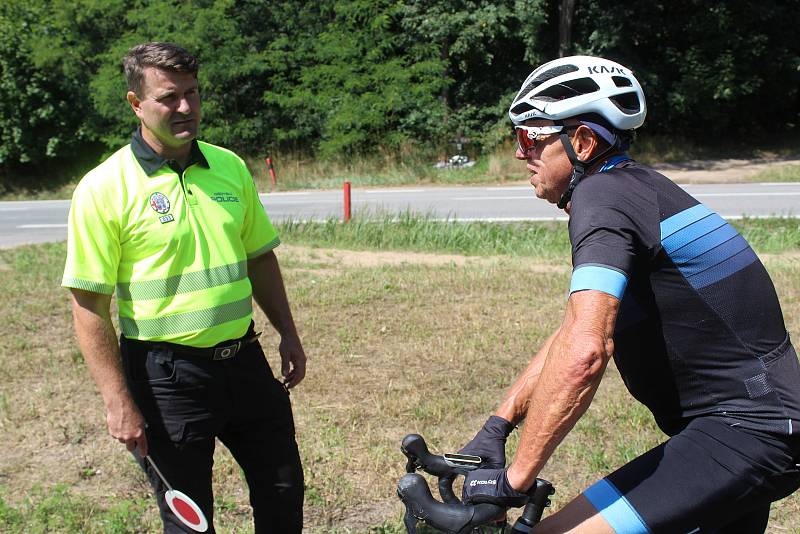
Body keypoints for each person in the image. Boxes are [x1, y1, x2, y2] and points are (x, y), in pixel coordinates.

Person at [457, 55, 800, 533]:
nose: (520, 153)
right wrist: (497, 426)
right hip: (752, 424)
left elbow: (585, 353)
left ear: (582, 141)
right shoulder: (635, 187)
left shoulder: (602, 199)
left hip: (743, 432)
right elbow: (573, 330)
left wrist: (514, 480)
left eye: (529, 137)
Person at [62, 42, 306, 533]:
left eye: (192, 94)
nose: (186, 108)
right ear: (136, 103)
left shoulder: (229, 167)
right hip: (165, 376)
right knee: (189, 521)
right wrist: (117, 400)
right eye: (168, 97)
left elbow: (259, 256)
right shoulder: (104, 187)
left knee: (283, 490)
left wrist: (288, 333)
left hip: (244, 361)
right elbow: (88, 303)